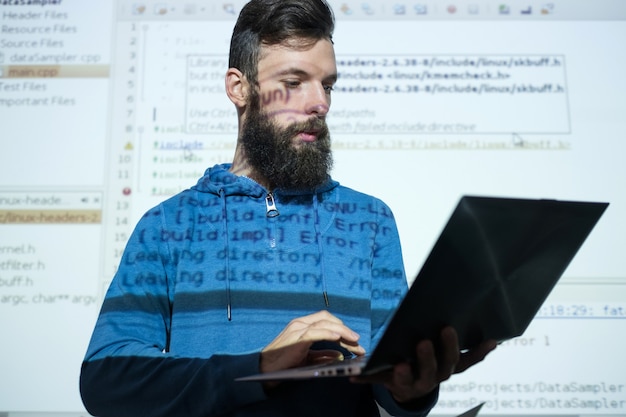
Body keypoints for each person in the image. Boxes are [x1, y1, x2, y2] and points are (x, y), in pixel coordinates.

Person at [79, 1, 496, 416]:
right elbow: (106, 380)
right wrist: (258, 368)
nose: (320, 104)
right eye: (294, 82)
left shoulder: (371, 221)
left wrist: (412, 389)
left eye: (327, 85)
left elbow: (393, 388)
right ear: (238, 88)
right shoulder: (167, 225)